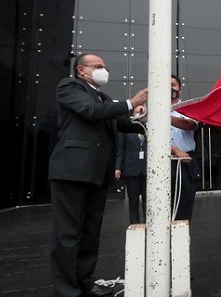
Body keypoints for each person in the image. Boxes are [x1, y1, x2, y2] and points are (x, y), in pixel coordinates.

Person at [48, 53, 148, 297]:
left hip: (96, 174)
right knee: (68, 234)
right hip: (72, 171)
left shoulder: (102, 97)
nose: (104, 70)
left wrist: (139, 117)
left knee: (90, 234)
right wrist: (129, 101)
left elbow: (119, 124)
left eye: (104, 66)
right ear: (82, 70)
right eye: (98, 66)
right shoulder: (70, 86)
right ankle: (66, 291)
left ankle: (84, 283)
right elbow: (91, 111)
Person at [170, 74, 200, 221]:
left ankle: (180, 242)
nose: (169, 88)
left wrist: (162, 115)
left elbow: (190, 125)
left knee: (184, 208)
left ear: (179, 90)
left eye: (173, 85)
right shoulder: (152, 110)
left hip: (185, 162)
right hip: (163, 163)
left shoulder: (188, 108)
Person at [115, 130, 147, 224]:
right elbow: (121, 149)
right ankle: (134, 226)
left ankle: (149, 227)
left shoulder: (149, 126)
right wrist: (118, 167)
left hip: (147, 169)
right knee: (133, 201)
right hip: (131, 169)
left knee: (148, 201)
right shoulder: (126, 129)